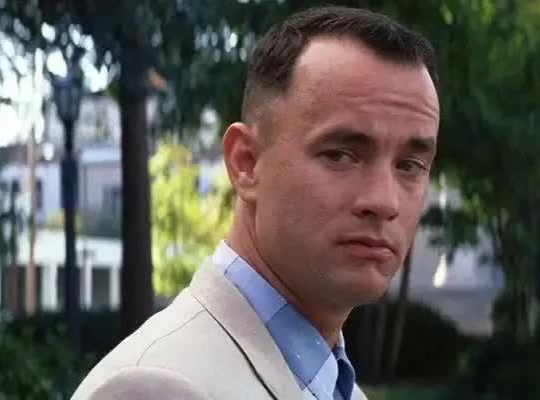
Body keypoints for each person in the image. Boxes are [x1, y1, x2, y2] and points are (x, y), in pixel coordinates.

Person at [72, 6, 439, 400]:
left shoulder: (335, 386)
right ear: (245, 163)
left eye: (410, 165)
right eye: (340, 155)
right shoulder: (155, 388)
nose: (384, 201)